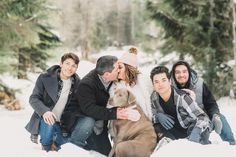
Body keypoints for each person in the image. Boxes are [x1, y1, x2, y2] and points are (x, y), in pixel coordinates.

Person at [70, 55, 141, 155]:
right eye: (117, 68)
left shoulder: (113, 78)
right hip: (83, 119)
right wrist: (115, 113)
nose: (119, 70)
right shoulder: (87, 84)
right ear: (107, 74)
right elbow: (89, 109)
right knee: (88, 124)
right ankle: (74, 146)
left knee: (106, 153)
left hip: (101, 122)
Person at [25, 53, 93, 151]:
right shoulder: (45, 77)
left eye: (74, 66)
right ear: (61, 64)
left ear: (76, 68)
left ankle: (57, 143)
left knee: (83, 126)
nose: (70, 68)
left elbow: (81, 104)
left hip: (63, 125)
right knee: (49, 119)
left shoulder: (78, 84)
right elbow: (34, 98)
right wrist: (45, 111)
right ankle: (47, 145)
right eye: (67, 64)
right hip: (46, 120)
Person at [171, 60, 236, 145]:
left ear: (189, 72)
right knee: (198, 145)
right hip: (183, 125)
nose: (181, 75)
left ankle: (231, 144)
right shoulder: (168, 89)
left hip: (202, 121)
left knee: (220, 118)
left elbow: (211, 103)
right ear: (173, 75)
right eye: (177, 72)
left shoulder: (199, 85)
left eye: (184, 71)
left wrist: (214, 114)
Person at [150, 65, 212, 144]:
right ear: (153, 85)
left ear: (170, 82)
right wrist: (158, 116)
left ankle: (202, 144)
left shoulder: (182, 97)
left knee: (201, 133)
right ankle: (169, 147)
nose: (160, 84)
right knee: (156, 127)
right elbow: (150, 118)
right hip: (174, 134)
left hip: (191, 131)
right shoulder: (154, 98)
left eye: (163, 80)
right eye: (156, 82)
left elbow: (203, 117)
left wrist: (196, 132)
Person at [111, 47, 152, 119]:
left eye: (120, 67)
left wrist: (156, 116)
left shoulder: (144, 82)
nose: (117, 71)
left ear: (128, 68)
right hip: (126, 125)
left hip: (145, 124)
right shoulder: (116, 86)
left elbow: (154, 102)